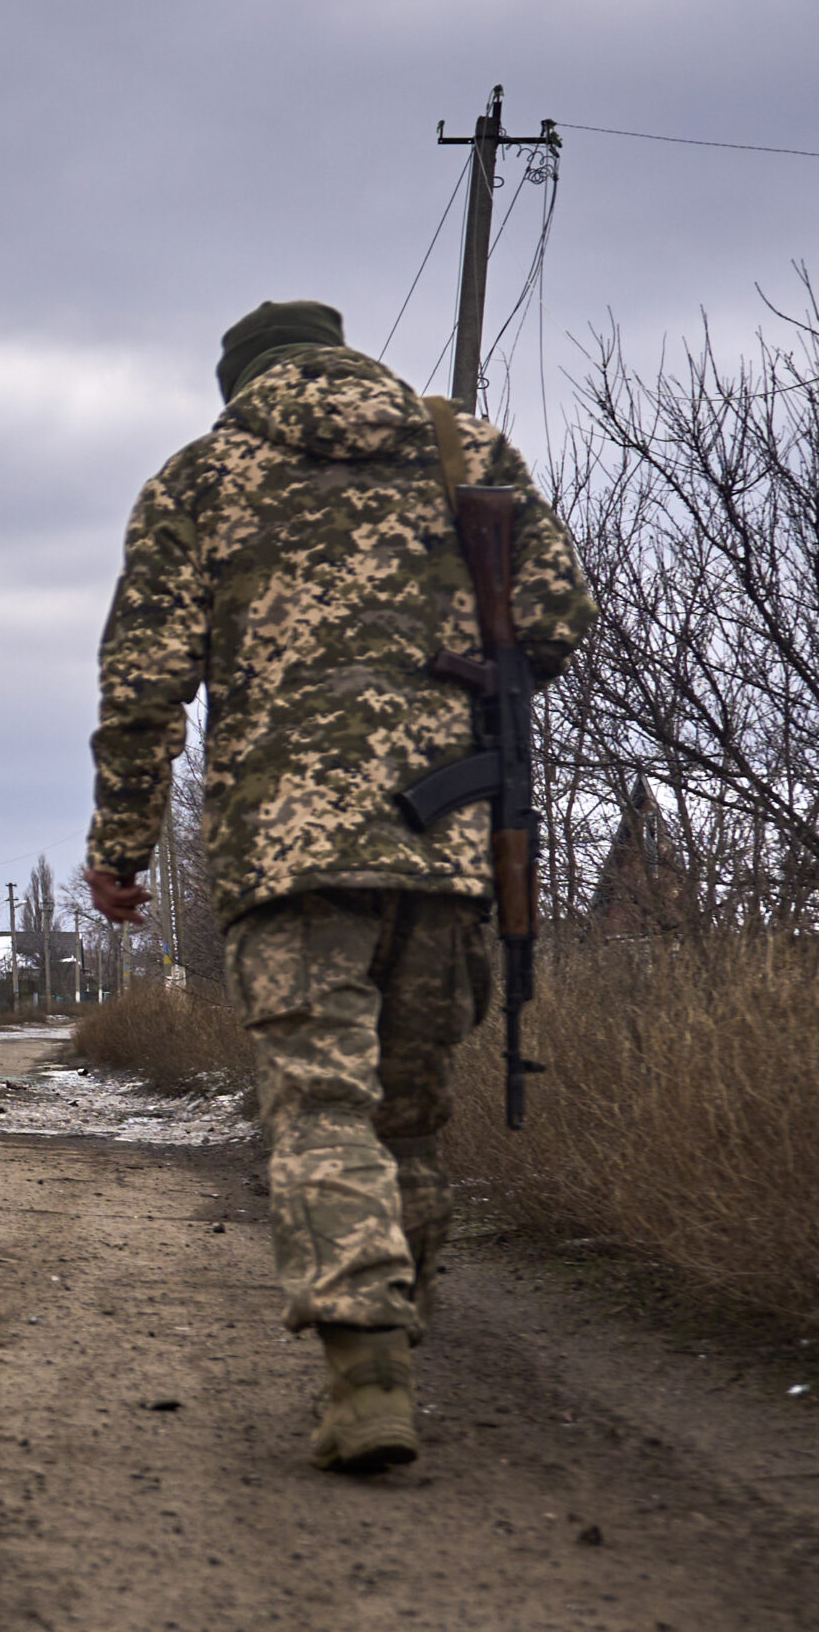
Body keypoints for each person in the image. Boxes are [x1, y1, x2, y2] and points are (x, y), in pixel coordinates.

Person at [82, 301, 594, 1472]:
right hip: (453, 843)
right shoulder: (464, 450)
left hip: (287, 852)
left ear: (239, 384)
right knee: (408, 1114)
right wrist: (454, 670)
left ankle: (366, 1367)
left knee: (319, 1104)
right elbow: (560, 619)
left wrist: (122, 846)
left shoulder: (201, 475)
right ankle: (399, 1332)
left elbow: (143, 684)